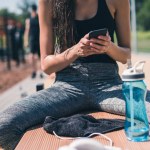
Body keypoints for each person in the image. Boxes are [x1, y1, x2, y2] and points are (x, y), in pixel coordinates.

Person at [0, 0, 150, 149]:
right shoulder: (48, 2)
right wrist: (75, 51)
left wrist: (109, 47)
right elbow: (46, 66)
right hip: (66, 87)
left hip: (109, 84)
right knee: (4, 124)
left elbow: (127, 55)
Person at [24, 4, 42, 78]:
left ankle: (40, 71)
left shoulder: (39, 18)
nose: (34, 11)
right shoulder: (28, 20)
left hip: (38, 39)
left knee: (38, 56)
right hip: (32, 39)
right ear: (31, 10)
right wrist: (25, 41)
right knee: (31, 56)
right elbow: (27, 30)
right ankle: (34, 71)